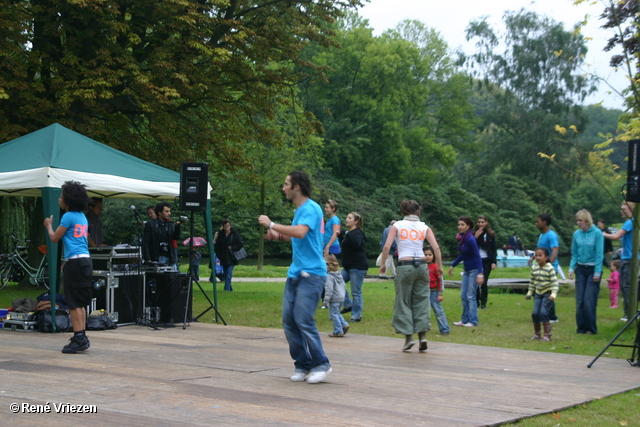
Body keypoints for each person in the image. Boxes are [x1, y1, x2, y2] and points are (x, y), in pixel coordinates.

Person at [258, 170, 331, 384]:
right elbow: (301, 238)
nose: (283, 188)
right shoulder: (300, 210)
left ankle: (321, 364)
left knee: (303, 319)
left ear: (296, 186)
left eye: (286, 184)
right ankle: (302, 364)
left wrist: (271, 224)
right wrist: (279, 235)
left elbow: (299, 232)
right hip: (296, 273)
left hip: (313, 274)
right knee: (289, 321)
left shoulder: (311, 208)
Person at [380, 199, 443, 352]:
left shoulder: (397, 226)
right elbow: (436, 247)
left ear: (403, 212)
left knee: (404, 301)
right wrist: (439, 266)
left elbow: (387, 245)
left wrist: (383, 264)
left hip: (405, 265)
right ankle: (423, 337)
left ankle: (409, 338)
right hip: (422, 266)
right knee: (421, 300)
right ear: (417, 212)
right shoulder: (424, 227)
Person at [43, 181, 93, 354]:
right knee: (79, 302)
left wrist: (48, 225)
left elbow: (54, 238)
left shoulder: (68, 216)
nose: (59, 199)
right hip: (85, 261)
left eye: (61, 196)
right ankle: (81, 336)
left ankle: (78, 337)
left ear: (69, 200)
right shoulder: (82, 216)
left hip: (75, 263)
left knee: (72, 302)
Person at [568, 209, 603, 335]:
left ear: (587, 220)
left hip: (593, 268)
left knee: (589, 300)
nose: (578, 223)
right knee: (580, 300)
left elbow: (599, 254)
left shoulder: (597, 233)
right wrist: (572, 268)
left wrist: (597, 272)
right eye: (577, 220)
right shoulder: (576, 234)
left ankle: (591, 328)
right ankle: (581, 328)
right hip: (581, 269)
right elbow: (575, 253)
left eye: (580, 220)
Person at [602, 202, 636, 322]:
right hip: (629, 258)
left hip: (629, 259)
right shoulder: (634, 221)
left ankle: (629, 314)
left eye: (623, 209)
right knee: (626, 286)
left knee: (626, 287)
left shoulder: (629, 222)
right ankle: (630, 313)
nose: (621, 211)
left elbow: (616, 236)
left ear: (631, 209)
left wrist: (603, 233)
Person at [449, 216, 483, 327]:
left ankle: (473, 321)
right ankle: (464, 319)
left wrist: (480, 273)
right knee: (463, 295)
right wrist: (453, 265)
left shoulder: (470, 239)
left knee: (470, 296)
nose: (460, 227)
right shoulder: (461, 238)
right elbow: (463, 254)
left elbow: (478, 256)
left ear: (468, 226)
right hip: (467, 269)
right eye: (458, 224)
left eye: (462, 225)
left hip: (474, 270)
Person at [337, 212, 368, 322]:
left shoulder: (357, 233)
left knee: (356, 292)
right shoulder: (350, 234)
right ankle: (348, 304)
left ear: (355, 221)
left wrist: (345, 232)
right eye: (347, 217)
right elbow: (346, 245)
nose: (347, 219)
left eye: (349, 218)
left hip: (357, 266)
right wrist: (341, 236)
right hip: (348, 267)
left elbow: (356, 244)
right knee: (337, 282)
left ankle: (356, 315)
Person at [526, 247, 558, 341]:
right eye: (536, 255)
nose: (538, 257)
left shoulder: (550, 268)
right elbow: (532, 282)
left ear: (546, 257)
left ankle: (547, 335)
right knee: (535, 313)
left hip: (547, 294)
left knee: (544, 313)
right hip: (537, 294)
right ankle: (537, 334)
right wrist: (529, 293)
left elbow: (554, 283)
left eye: (540, 255)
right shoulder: (534, 268)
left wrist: (553, 295)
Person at [533, 214, 561, 322]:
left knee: (547, 292)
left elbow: (555, 250)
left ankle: (552, 317)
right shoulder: (541, 235)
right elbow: (540, 250)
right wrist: (533, 258)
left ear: (544, 222)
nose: (536, 223)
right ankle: (542, 314)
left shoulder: (551, 235)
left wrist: (549, 264)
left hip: (549, 268)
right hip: (540, 268)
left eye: (538, 221)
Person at [142, 202, 182, 269]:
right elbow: (145, 243)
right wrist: (148, 259)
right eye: (166, 211)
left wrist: (177, 226)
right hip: (157, 257)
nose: (169, 213)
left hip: (170, 257)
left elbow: (175, 237)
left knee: (173, 276)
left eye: (169, 211)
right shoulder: (150, 224)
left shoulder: (170, 224)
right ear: (159, 212)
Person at [213, 219, 244, 291]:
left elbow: (241, 243)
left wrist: (233, 247)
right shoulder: (220, 234)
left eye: (228, 225)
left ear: (230, 226)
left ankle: (226, 288)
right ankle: (230, 288)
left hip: (231, 257)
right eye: (225, 225)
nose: (226, 227)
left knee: (229, 273)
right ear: (223, 226)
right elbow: (217, 246)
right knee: (226, 273)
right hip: (223, 257)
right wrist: (219, 255)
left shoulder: (234, 233)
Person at [425, 246, 449, 335]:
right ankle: (423, 328)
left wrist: (440, 293)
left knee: (438, 312)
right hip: (423, 292)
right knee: (423, 311)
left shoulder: (436, 267)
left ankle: (444, 329)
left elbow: (440, 281)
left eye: (430, 255)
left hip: (433, 292)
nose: (427, 257)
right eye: (425, 255)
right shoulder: (421, 267)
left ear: (434, 256)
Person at [323, 254, 349, 337]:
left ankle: (338, 331)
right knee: (336, 313)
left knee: (333, 315)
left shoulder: (329, 277)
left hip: (334, 298)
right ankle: (344, 324)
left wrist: (325, 302)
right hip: (341, 297)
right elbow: (344, 286)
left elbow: (329, 290)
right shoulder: (339, 274)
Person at [474, 215, 496, 309]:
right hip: (476, 260)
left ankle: (483, 302)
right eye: (479, 222)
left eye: (482, 222)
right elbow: (471, 246)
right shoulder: (473, 233)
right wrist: (476, 236)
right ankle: (476, 301)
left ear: (486, 222)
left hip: (486, 260)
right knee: (475, 282)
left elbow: (493, 248)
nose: (480, 224)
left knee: (484, 281)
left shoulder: (490, 234)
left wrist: (493, 262)